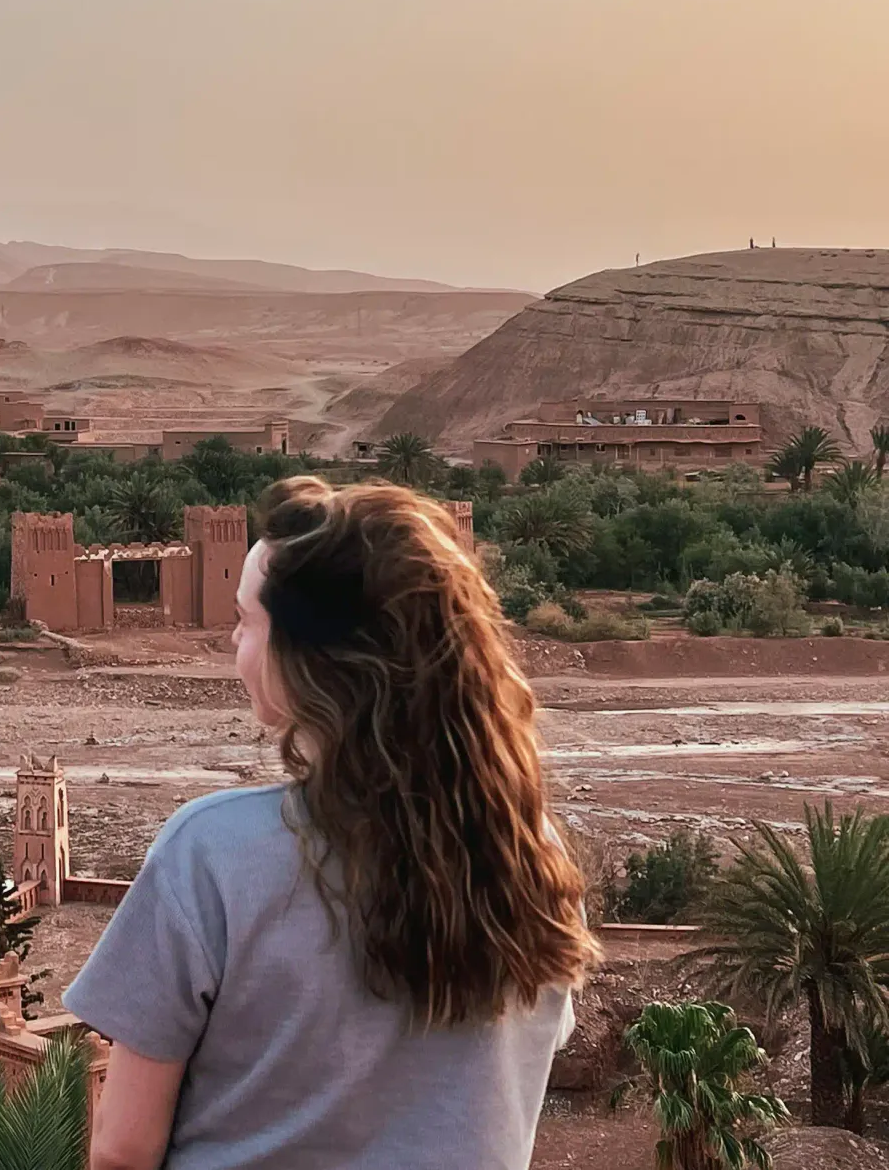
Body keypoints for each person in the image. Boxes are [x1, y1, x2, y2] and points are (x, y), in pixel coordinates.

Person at [67, 476, 595, 1170]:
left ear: (308, 657)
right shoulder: (527, 857)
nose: (233, 640)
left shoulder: (211, 855)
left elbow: (124, 1148)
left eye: (248, 622)